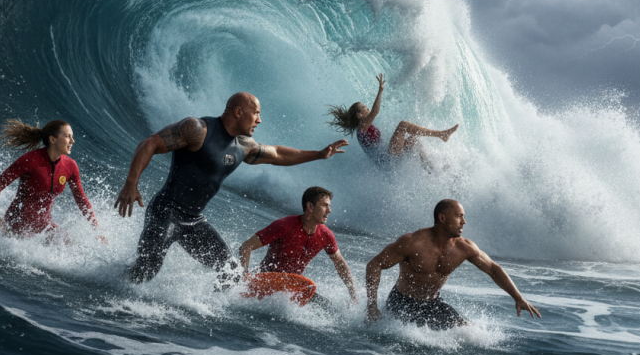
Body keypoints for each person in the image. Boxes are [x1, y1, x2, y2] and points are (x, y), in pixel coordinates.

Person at [116, 92, 348, 287]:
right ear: (238, 112)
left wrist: (318, 154)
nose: (259, 120)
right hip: (166, 211)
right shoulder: (197, 129)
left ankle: (211, 312)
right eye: (256, 113)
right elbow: (150, 143)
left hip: (194, 221)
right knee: (146, 271)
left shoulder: (244, 145)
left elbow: (277, 154)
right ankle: (114, 289)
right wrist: (130, 184)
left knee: (233, 272)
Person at [366, 199, 540, 329]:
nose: (464, 222)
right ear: (442, 218)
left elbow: (493, 269)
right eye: (459, 217)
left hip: (433, 304)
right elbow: (374, 265)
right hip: (401, 302)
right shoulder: (413, 242)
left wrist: (518, 298)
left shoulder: (464, 248)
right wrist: (372, 308)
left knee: (470, 332)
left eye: (463, 217)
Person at [0, 119, 106, 243]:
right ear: (53, 139)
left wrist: (96, 229)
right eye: (67, 136)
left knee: (70, 243)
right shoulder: (30, 160)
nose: (72, 141)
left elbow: (81, 200)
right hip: (18, 223)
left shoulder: (70, 166)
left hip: (43, 225)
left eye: (72, 137)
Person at [238, 186, 359, 305]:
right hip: (266, 280)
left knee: (327, 306)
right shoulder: (285, 225)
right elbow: (246, 247)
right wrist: (244, 278)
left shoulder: (326, 235)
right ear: (310, 206)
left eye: (329, 206)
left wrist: (353, 294)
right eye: (324, 205)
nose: (329, 210)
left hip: (292, 286)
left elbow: (340, 263)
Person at [327, 74, 458, 168]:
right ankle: (441, 134)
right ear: (359, 114)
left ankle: (429, 168)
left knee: (413, 141)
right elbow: (375, 111)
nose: (368, 109)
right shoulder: (362, 127)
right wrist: (380, 91)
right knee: (403, 125)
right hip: (387, 161)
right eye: (365, 108)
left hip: (388, 160)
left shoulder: (363, 128)